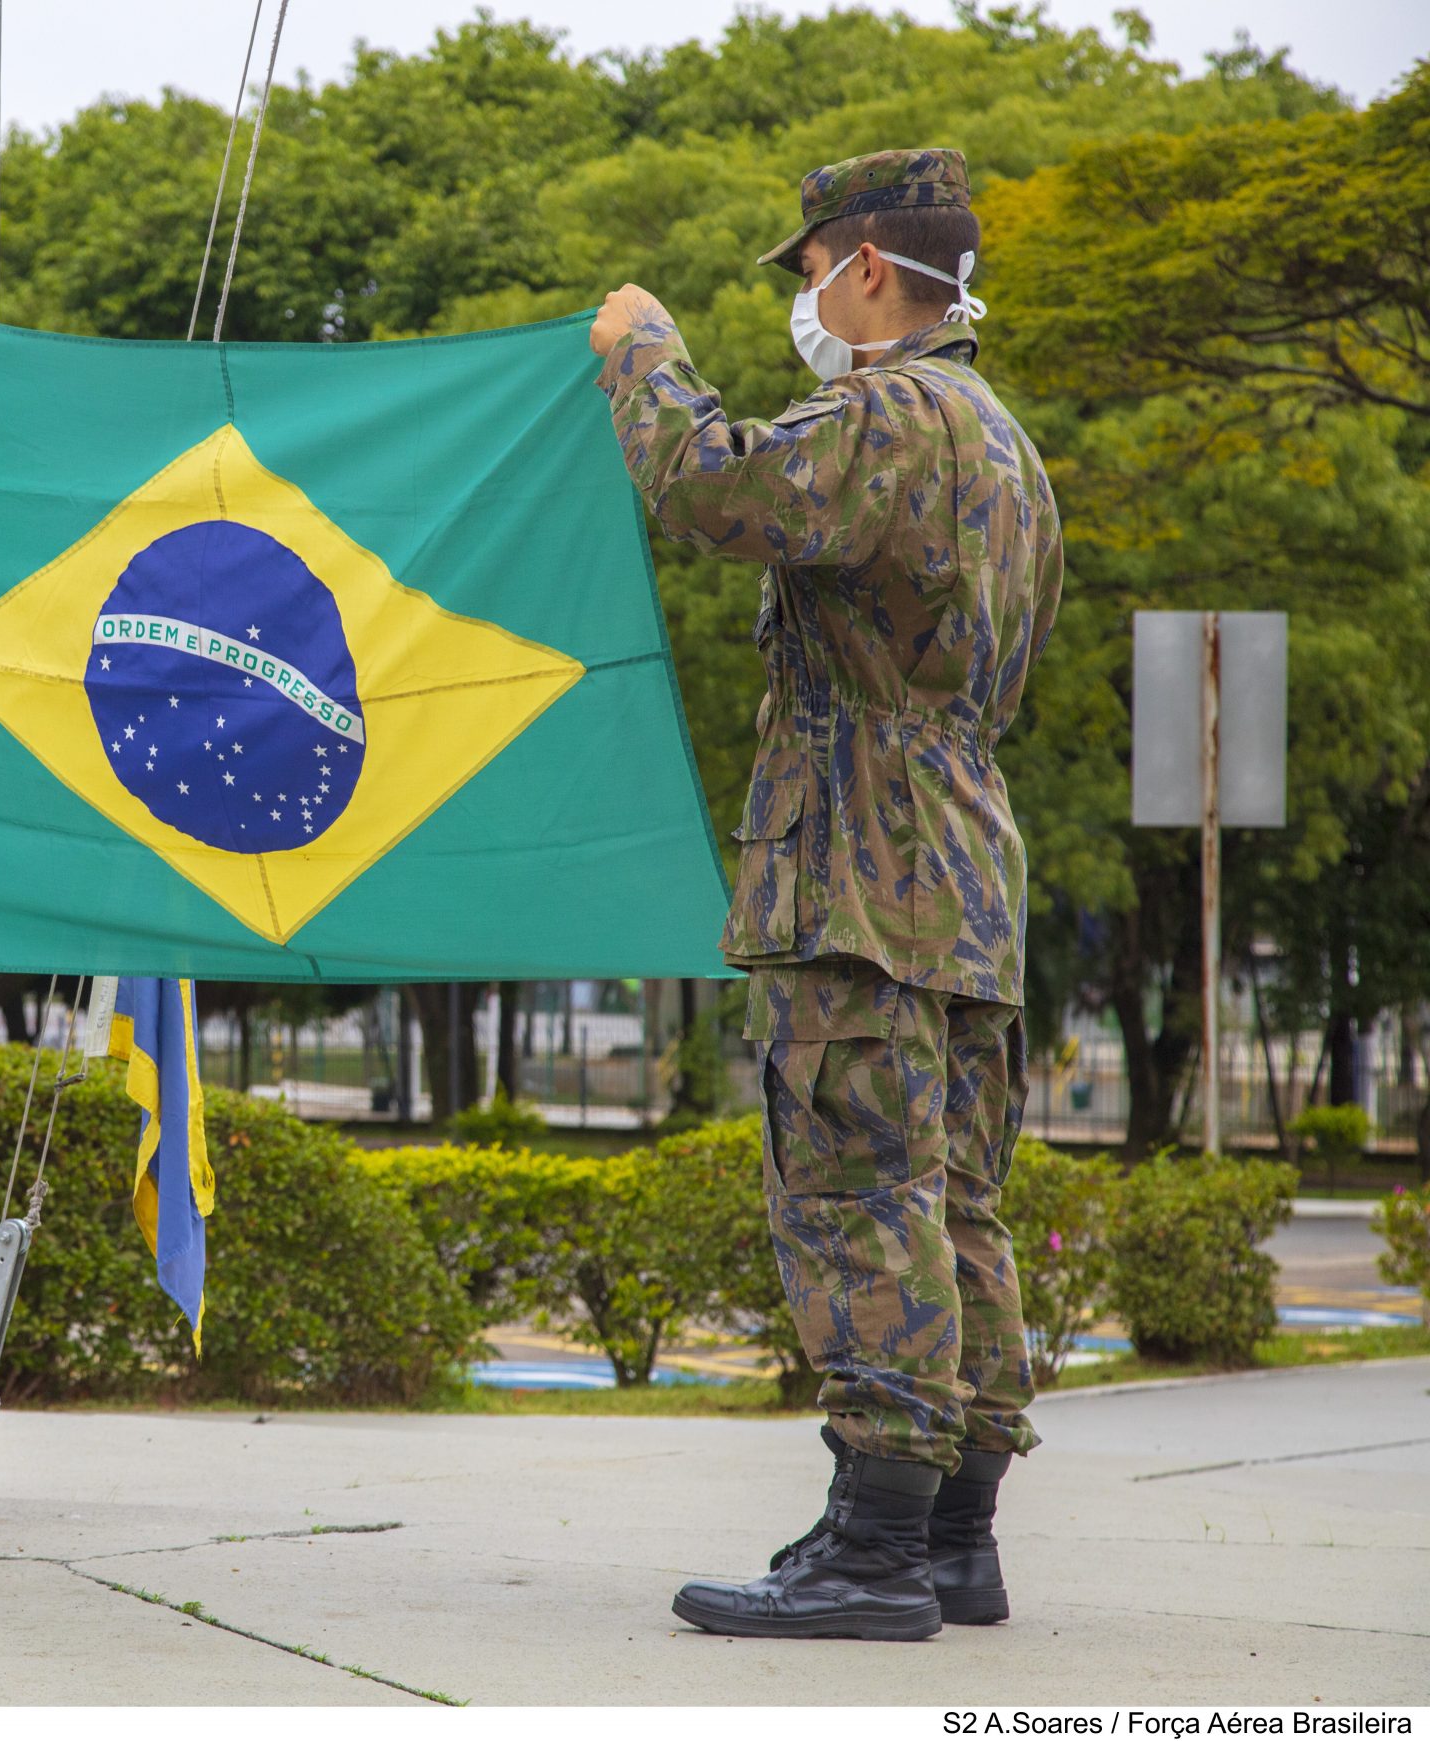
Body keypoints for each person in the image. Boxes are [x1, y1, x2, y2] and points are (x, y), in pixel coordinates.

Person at [589, 150, 1061, 1639]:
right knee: (955, 1200)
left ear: (864, 266)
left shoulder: (891, 409)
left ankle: (873, 1550)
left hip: (862, 859)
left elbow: (722, 492)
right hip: (967, 861)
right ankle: (951, 1542)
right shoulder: (1007, 442)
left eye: (806, 271)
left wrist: (642, 353)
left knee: (859, 1194)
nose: (804, 299)